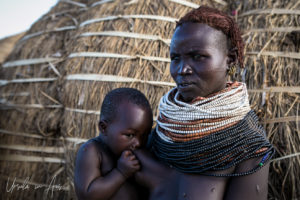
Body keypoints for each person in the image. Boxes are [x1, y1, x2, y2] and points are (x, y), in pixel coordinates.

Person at [134, 6, 274, 200]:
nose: (182, 69)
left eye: (198, 57)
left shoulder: (247, 146)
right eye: (175, 58)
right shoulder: (162, 131)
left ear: (230, 60)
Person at [74, 88, 153, 200]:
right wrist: (121, 173)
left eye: (145, 136)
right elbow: (88, 195)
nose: (138, 143)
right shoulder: (92, 151)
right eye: (130, 135)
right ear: (104, 128)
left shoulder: (140, 153)